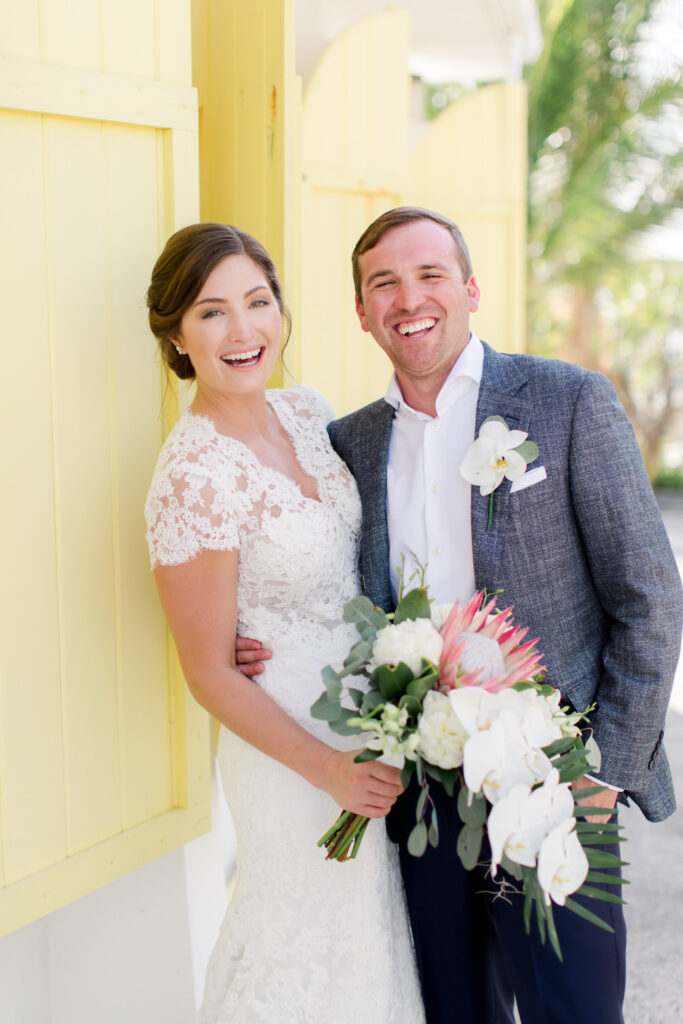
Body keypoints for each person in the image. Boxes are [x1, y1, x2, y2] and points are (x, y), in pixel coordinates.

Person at [238, 207, 683, 1024]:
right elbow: (319, 573)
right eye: (384, 284)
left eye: (429, 275)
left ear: (470, 288)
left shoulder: (566, 401)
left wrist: (604, 772)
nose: (409, 299)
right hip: (418, 790)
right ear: (362, 311)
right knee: (453, 1009)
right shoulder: (350, 444)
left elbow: (649, 594)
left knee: (575, 1011)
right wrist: (255, 635)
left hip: (555, 779)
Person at [144, 222, 425, 1024]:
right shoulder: (191, 476)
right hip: (290, 749)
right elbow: (208, 670)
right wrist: (327, 768)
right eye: (212, 312)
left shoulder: (307, 412)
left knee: (370, 938)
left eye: (257, 302)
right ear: (176, 335)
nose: (243, 330)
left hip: (368, 719)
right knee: (297, 938)